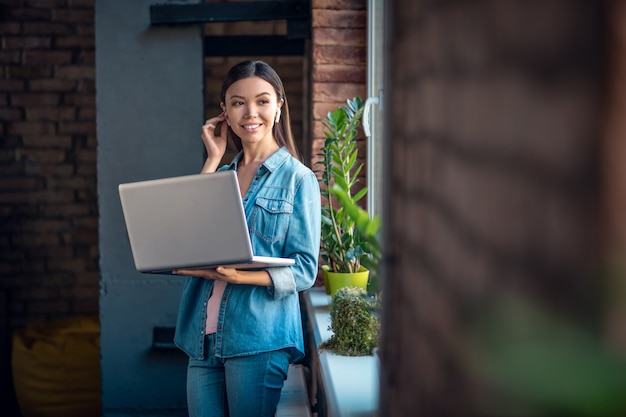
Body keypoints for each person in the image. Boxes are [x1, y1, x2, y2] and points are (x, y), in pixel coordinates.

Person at [172, 60, 321, 417]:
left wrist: (240, 276)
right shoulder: (221, 175)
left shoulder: (299, 179)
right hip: (202, 339)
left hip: (259, 339)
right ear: (224, 110)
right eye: (238, 102)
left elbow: (305, 270)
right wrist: (212, 160)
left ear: (279, 105)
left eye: (262, 101)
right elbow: (188, 239)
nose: (250, 112)